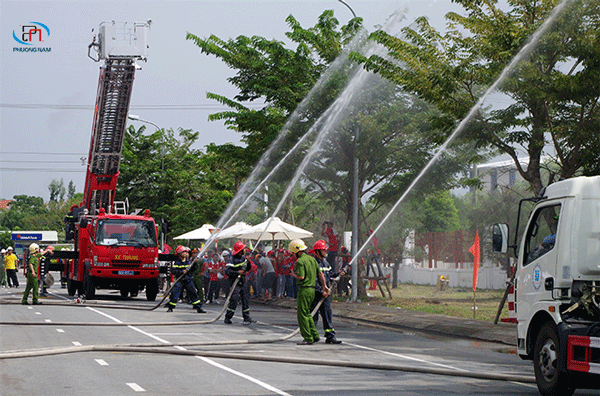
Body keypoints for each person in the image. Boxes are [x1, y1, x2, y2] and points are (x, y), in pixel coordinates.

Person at [289, 239, 329, 345]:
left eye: (293, 253)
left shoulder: (300, 262)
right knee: (308, 314)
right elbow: (320, 274)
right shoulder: (312, 260)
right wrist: (325, 286)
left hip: (305, 289)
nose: (293, 256)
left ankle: (308, 337)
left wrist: (293, 274)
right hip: (312, 290)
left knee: (302, 314)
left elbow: (301, 277)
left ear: (297, 252)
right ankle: (314, 335)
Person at [311, 240, 343, 344]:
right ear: (317, 251)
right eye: (323, 250)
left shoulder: (325, 263)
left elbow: (330, 274)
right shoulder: (313, 263)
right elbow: (314, 280)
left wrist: (338, 274)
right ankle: (311, 335)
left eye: (326, 249)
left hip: (326, 294)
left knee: (327, 314)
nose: (326, 251)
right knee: (313, 315)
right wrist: (321, 291)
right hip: (316, 294)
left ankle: (330, 336)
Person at [223, 241, 256, 325]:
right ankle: (228, 317)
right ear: (240, 250)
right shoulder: (232, 260)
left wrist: (248, 263)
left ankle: (246, 317)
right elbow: (227, 271)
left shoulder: (243, 259)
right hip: (235, 283)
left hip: (243, 282)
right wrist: (237, 272)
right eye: (243, 248)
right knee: (234, 299)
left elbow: (247, 269)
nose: (245, 250)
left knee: (245, 299)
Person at [166, 245, 205, 313]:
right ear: (179, 254)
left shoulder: (189, 261)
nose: (185, 254)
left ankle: (198, 307)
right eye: (183, 252)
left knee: (193, 293)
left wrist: (195, 264)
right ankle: (170, 307)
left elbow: (193, 269)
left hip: (188, 280)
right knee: (175, 293)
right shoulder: (177, 262)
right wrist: (182, 272)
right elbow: (174, 271)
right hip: (180, 281)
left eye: (186, 252)